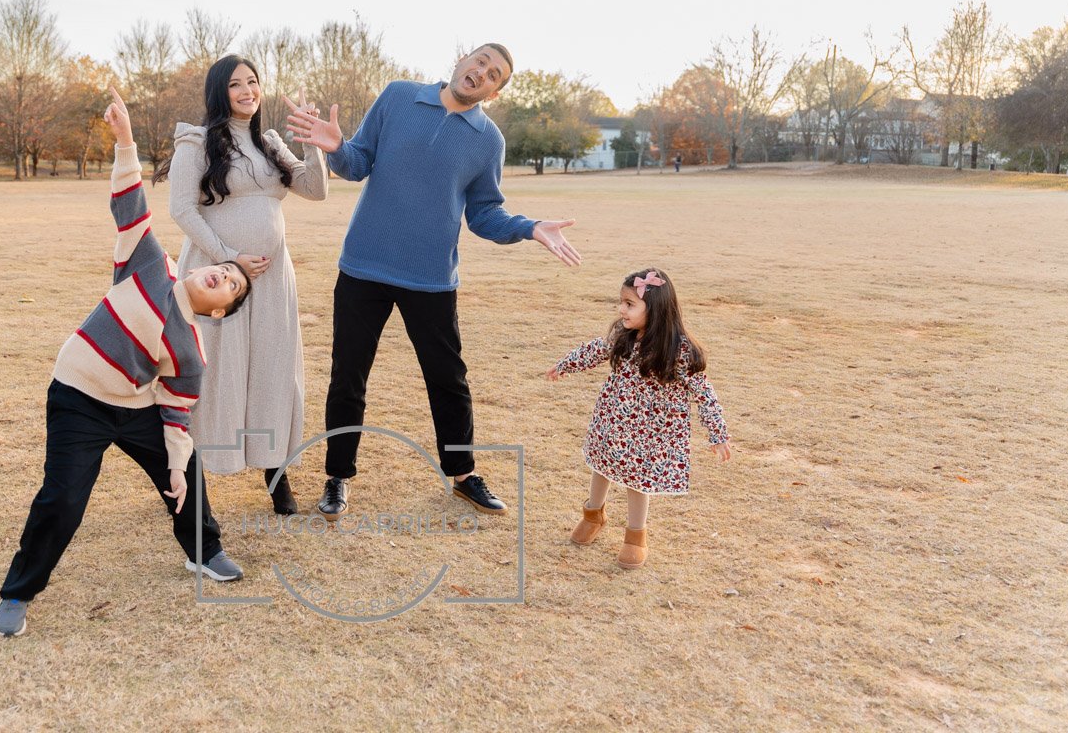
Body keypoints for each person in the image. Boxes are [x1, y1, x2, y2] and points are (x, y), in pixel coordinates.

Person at [0, 90, 253, 638]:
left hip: (134, 408)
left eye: (230, 285)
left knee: (187, 476)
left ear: (221, 309)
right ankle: (18, 593)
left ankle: (204, 550)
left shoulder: (191, 353)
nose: (221, 276)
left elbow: (176, 416)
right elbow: (131, 201)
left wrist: (176, 467)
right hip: (78, 397)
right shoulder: (148, 266)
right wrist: (127, 141)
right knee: (63, 497)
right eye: (223, 268)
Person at [284, 43, 581, 521]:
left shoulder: (488, 141)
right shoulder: (399, 96)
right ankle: (337, 477)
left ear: (496, 91)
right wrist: (336, 146)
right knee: (347, 378)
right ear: (462, 60)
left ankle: (463, 474)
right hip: (364, 266)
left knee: (448, 380)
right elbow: (357, 164)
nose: (482, 73)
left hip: (431, 279)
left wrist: (529, 227)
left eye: (494, 74)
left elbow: (484, 214)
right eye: (480, 62)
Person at [164, 55, 328, 514]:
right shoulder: (195, 143)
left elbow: (315, 190)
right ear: (220, 92)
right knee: (216, 372)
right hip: (217, 278)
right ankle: (188, 478)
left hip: (274, 279)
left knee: (273, 370)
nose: (247, 91)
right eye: (236, 84)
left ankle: (276, 472)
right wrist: (228, 258)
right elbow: (182, 210)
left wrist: (314, 141)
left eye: (253, 82)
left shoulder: (270, 143)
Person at [545, 267, 732, 569]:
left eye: (630, 304)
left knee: (637, 479)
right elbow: (595, 350)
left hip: (649, 430)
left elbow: (703, 391)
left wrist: (718, 433)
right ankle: (593, 514)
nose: (621, 309)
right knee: (602, 463)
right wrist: (565, 365)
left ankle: (635, 536)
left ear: (655, 309)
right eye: (621, 302)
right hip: (613, 418)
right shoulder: (623, 336)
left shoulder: (679, 350)